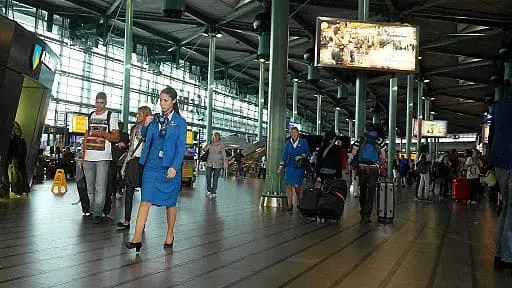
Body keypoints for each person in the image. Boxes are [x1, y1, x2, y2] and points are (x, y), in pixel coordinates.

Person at [125, 87, 186, 252]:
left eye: (166, 100)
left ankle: (170, 233)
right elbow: (146, 136)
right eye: (160, 100)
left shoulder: (180, 122)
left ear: (173, 101)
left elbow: (181, 147)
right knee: (145, 201)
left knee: (170, 204)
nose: (162, 103)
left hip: (169, 167)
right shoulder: (155, 119)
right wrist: (145, 124)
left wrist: (175, 166)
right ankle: (137, 237)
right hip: (152, 165)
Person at [82, 92, 120, 224]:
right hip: (89, 157)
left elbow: (116, 137)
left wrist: (103, 134)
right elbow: (86, 136)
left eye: (101, 103)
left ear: (105, 103)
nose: (99, 105)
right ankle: (93, 210)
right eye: (97, 102)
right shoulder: (90, 115)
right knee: (90, 187)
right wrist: (83, 155)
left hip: (103, 157)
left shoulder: (111, 116)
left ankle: (97, 213)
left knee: (100, 186)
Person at [117, 106, 152, 229]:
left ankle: (141, 223)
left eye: (139, 114)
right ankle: (127, 220)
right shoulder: (133, 128)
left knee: (145, 194)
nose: (137, 116)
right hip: (133, 161)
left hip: (146, 162)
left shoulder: (151, 129)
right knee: (129, 191)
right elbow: (131, 147)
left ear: (146, 115)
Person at [488, 95, 512, 271]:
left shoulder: (499, 106)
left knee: (505, 209)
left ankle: (499, 253)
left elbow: (492, 136)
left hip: (499, 161)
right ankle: (508, 257)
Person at [351, 123, 386, 223]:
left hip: (362, 168)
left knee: (362, 190)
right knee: (371, 192)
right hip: (374, 169)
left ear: (366, 130)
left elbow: (353, 152)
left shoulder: (361, 139)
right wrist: (381, 163)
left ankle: (362, 212)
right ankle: (367, 215)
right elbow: (383, 156)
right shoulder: (379, 140)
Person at [278, 126, 309, 211]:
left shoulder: (303, 142)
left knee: (296, 185)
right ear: (290, 133)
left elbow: (307, 152)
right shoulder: (288, 142)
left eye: (295, 132)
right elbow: (284, 154)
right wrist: (281, 166)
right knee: (288, 185)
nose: (293, 134)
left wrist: (301, 156)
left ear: (298, 133)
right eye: (292, 132)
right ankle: (289, 204)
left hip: (299, 166)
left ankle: (298, 200)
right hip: (289, 165)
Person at [204, 132, 227, 198]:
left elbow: (224, 155)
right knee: (208, 176)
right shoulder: (209, 143)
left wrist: (224, 163)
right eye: (214, 136)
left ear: (219, 137)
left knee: (215, 178)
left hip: (218, 164)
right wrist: (208, 146)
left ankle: (214, 191)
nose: (215, 138)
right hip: (209, 163)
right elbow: (204, 149)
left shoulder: (221, 145)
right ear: (213, 137)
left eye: (217, 137)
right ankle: (209, 190)